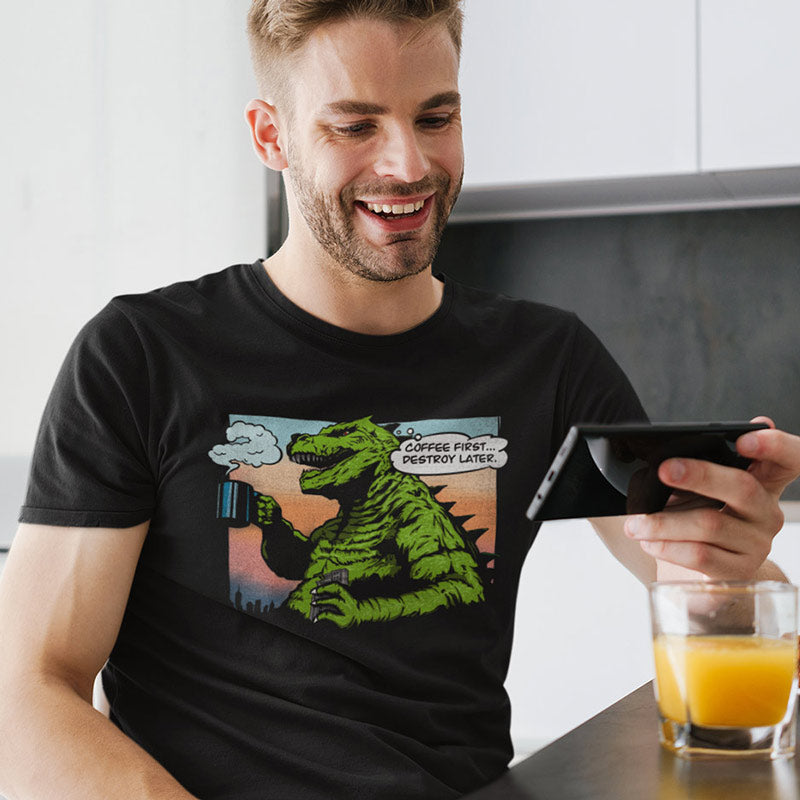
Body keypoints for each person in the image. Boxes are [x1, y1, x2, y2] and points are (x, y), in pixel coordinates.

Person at [0, 1, 798, 798]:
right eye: (354, 126)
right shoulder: (143, 353)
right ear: (270, 135)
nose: (408, 164)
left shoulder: (545, 360)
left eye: (436, 116)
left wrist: (738, 557)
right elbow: (27, 696)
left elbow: (708, 599)